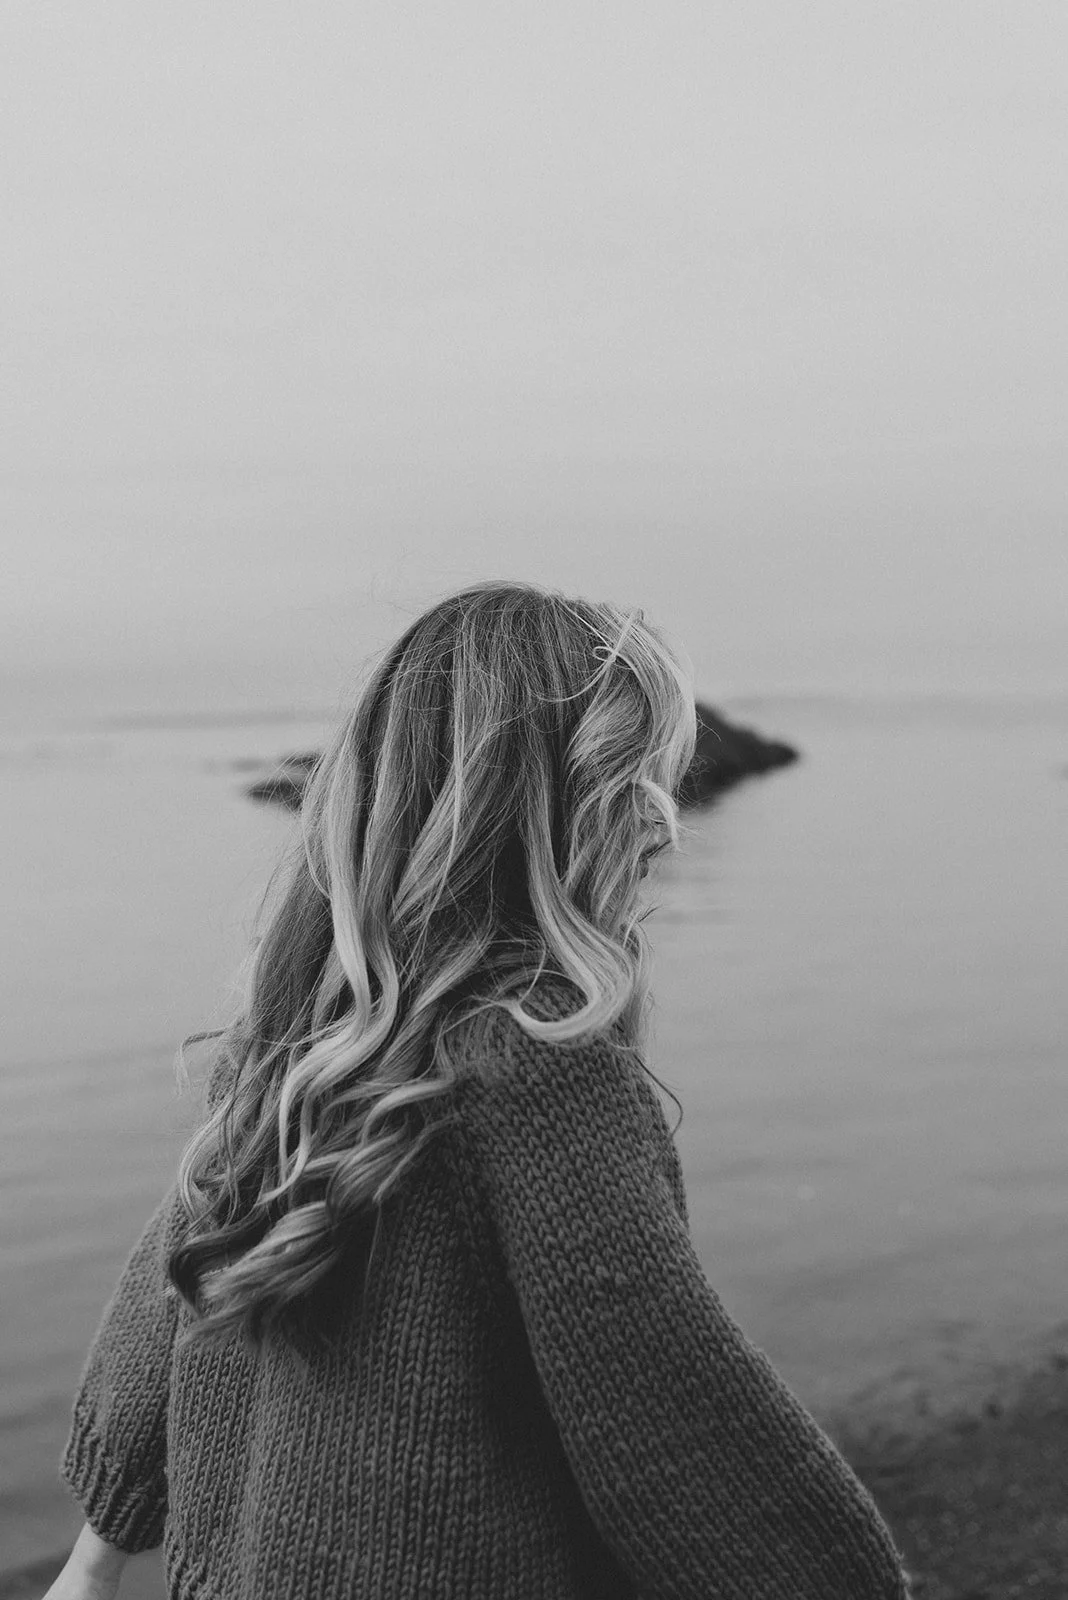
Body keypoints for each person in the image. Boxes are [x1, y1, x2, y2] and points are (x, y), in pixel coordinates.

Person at [50, 580, 913, 1599]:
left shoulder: (302, 1037)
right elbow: (667, 1413)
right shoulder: (542, 1073)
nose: (667, 826)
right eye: (635, 780)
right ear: (541, 808)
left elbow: (173, 1289)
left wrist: (94, 1561)